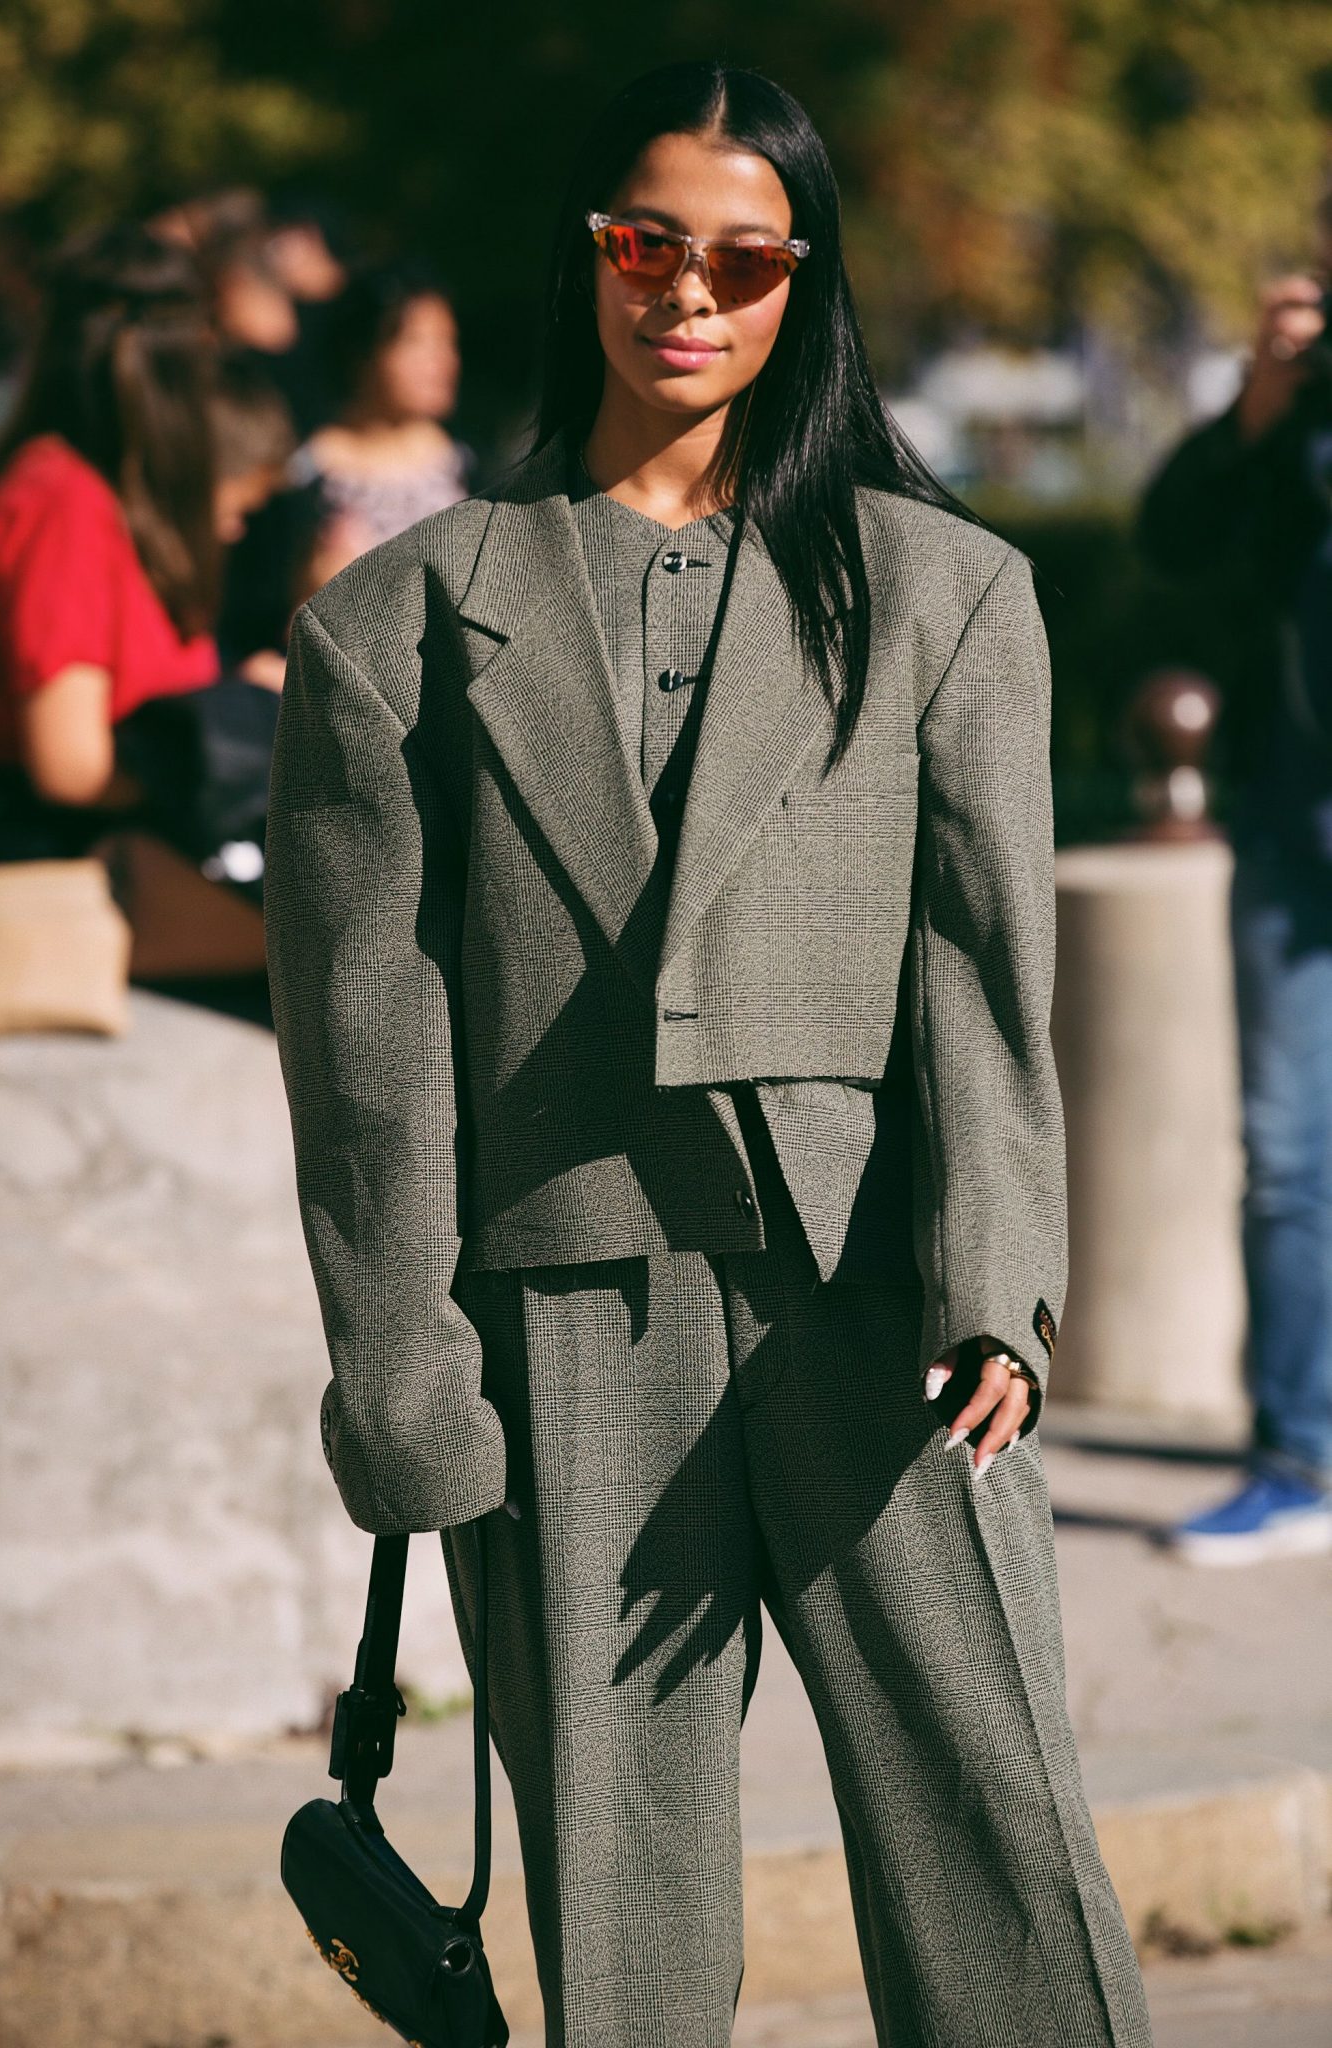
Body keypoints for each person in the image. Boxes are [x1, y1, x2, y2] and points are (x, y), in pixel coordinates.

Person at [265, 62, 1153, 2048]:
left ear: (798, 284)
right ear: (586, 256)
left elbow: (983, 984)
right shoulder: (393, 629)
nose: (685, 292)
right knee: (618, 1905)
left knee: (998, 1845)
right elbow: (368, 1064)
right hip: (562, 1321)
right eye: (642, 243)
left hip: (884, 1317)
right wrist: (402, 1369)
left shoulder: (945, 596)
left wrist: (998, 1293)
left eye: (740, 258)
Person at [1138, 198, 1332, 1565]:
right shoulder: (1293, 415)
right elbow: (1172, 538)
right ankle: (1299, 1452)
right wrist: (1257, 402)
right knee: (1286, 1156)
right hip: (1288, 818)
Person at [0, 226, 283, 888]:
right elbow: (72, 766)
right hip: (63, 865)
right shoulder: (61, 503)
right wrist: (235, 737)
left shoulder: (101, 498)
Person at [288, 257, 470, 593]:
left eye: (448, 341)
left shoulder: (468, 466)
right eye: (417, 342)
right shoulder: (307, 475)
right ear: (365, 353)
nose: (442, 361)